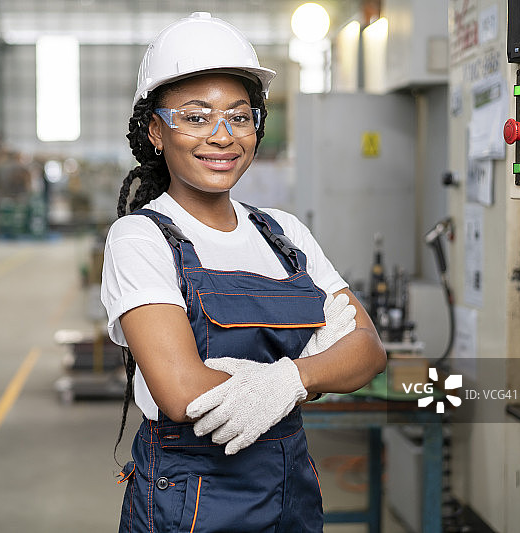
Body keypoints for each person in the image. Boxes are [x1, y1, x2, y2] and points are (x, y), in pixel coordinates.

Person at [100, 12, 386, 533]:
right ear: (156, 132)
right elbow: (182, 391)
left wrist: (287, 381)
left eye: (239, 116)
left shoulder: (285, 235)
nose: (222, 135)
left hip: (291, 488)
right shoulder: (140, 238)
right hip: (189, 500)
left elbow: (368, 351)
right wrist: (319, 370)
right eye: (195, 116)